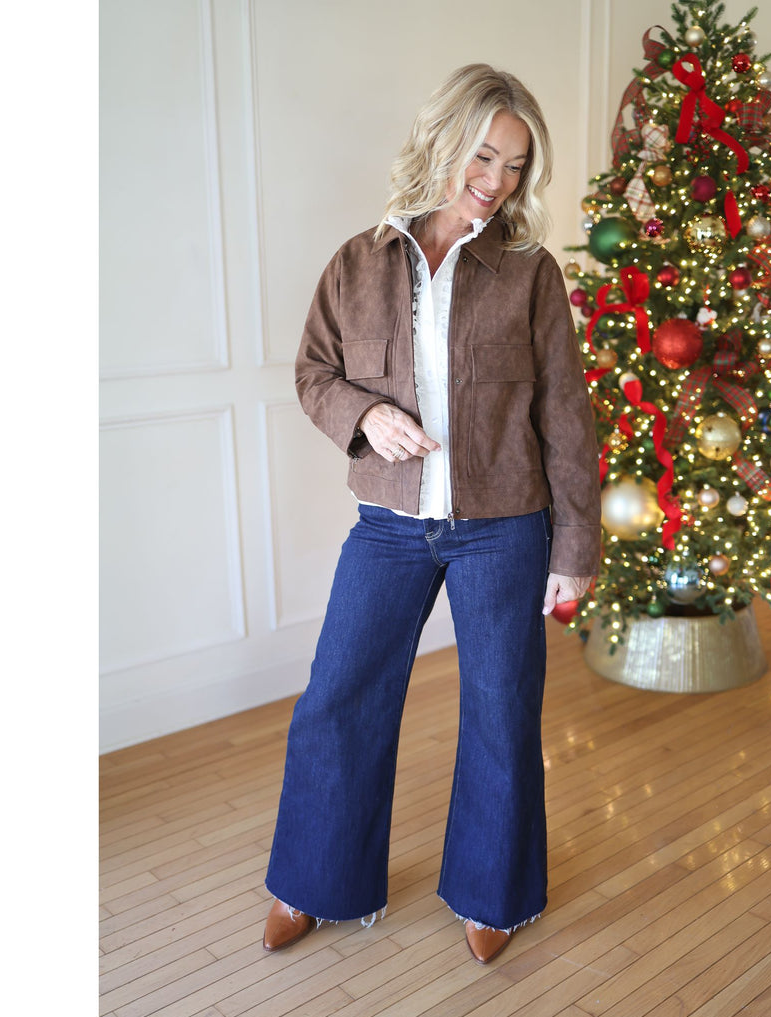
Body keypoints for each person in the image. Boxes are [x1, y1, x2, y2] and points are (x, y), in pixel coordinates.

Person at [261, 63, 600, 966]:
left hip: (506, 527)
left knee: (500, 709)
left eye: (516, 166)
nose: (495, 181)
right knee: (338, 699)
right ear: (444, 144)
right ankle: (315, 882)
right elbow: (312, 374)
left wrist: (574, 545)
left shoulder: (530, 273)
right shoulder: (360, 260)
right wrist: (365, 416)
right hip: (389, 527)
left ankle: (494, 894)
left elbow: (566, 414)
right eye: (482, 156)